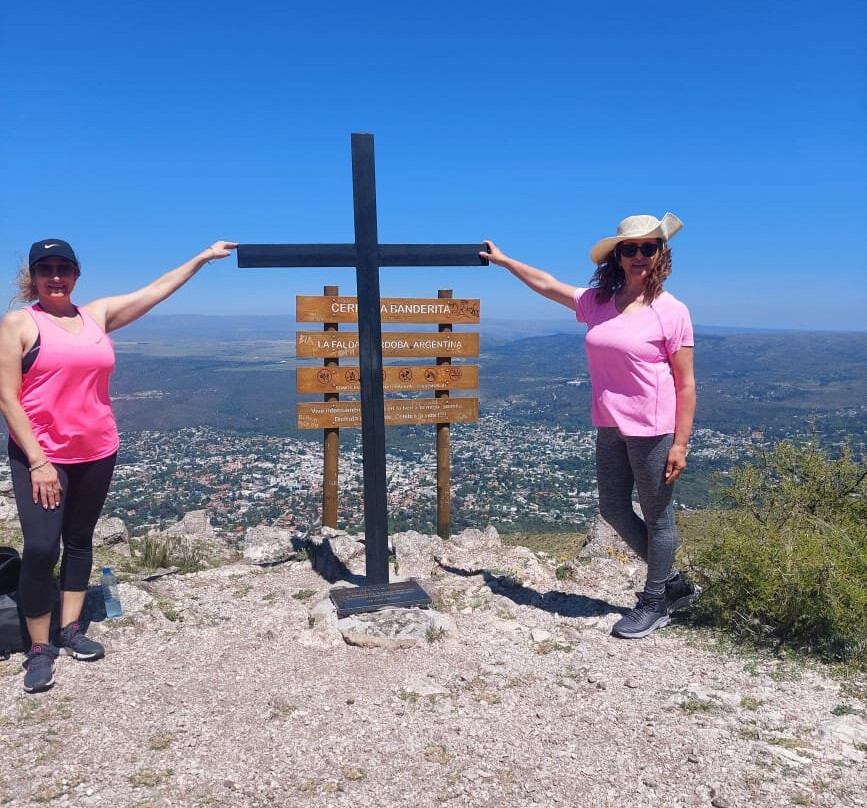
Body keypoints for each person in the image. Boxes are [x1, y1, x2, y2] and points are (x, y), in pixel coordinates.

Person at [0, 238, 238, 692]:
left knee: (79, 540)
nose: (55, 276)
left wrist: (202, 258)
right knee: (42, 547)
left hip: (97, 449)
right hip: (43, 457)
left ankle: (70, 629)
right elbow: (7, 396)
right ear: (33, 276)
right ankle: (38, 647)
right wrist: (37, 461)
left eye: (63, 268)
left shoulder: (97, 316)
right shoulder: (19, 324)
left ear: (76, 274)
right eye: (46, 268)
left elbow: (156, 290)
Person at [482, 213, 700, 639]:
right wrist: (506, 262)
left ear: (660, 254)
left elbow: (687, 383)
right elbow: (548, 285)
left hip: (653, 428)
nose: (639, 255)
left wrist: (681, 444)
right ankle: (671, 583)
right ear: (617, 255)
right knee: (613, 509)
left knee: (658, 519)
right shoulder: (599, 302)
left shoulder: (672, 312)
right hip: (610, 424)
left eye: (648, 247)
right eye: (630, 248)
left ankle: (655, 600)